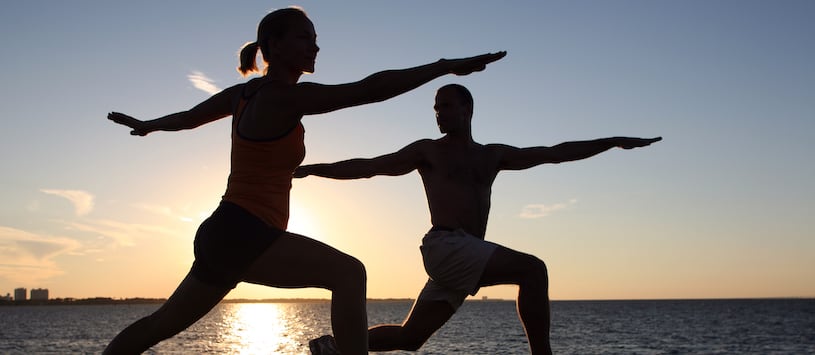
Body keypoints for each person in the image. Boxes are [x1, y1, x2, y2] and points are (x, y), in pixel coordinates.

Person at [102, 6, 505, 354]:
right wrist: (442, 67)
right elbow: (368, 90)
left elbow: (188, 118)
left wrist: (149, 125)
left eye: (315, 39)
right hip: (246, 231)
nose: (315, 46)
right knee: (350, 274)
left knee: (159, 325)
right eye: (304, 38)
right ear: (274, 46)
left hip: (225, 233)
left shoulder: (242, 95)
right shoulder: (283, 97)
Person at [294, 84, 661, 355]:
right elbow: (370, 166)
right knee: (533, 270)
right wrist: (313, 169)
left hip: (465, 253)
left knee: (410, 338)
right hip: (446, 246)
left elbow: (554, 153)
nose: (438, 113)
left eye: (446, 106)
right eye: (435, 108)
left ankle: (333, 347)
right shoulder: (428, 152)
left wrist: (612, 141)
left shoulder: (490, 156)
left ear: (467, 109)